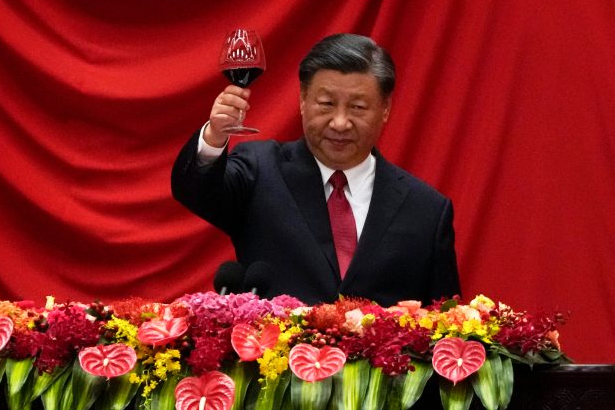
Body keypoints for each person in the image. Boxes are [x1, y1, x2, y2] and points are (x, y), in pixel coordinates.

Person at [171, 33, 460, 306]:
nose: (340, 122)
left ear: (385, 109)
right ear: (302, 101)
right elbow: (198, 191)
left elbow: (448, 323)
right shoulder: (260, 171)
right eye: (326, 104)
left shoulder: (427, 210)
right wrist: (215, 137)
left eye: (358, 107)